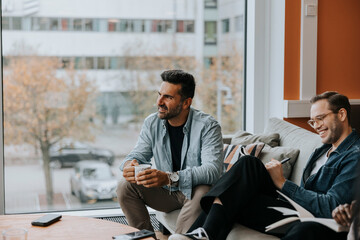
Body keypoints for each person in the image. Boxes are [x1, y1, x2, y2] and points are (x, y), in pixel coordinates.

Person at [169, 91, 360, 240]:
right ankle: (204, 234)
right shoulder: (321, 150)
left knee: (235, 199)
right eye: (312, 121)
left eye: (321, 118)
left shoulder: (354, 155)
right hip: (296, 208)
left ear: (341, 114)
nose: (316, 125)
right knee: (248, 165)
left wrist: (283, 183)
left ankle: (200, 234)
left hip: (317, 219)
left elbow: (331, 206)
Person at [116, 69, 224, 233]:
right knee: (125, 186)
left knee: (204, 189)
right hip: (166, 193)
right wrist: (128, 166)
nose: (159, 101)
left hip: (193, 193)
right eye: (159, 94)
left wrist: (169, 178)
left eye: (168, 97)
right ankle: (146, 238)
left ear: (186, 103)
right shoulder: (152, 123)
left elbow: (212, 171)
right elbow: (138, 155)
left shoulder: (208, 126)